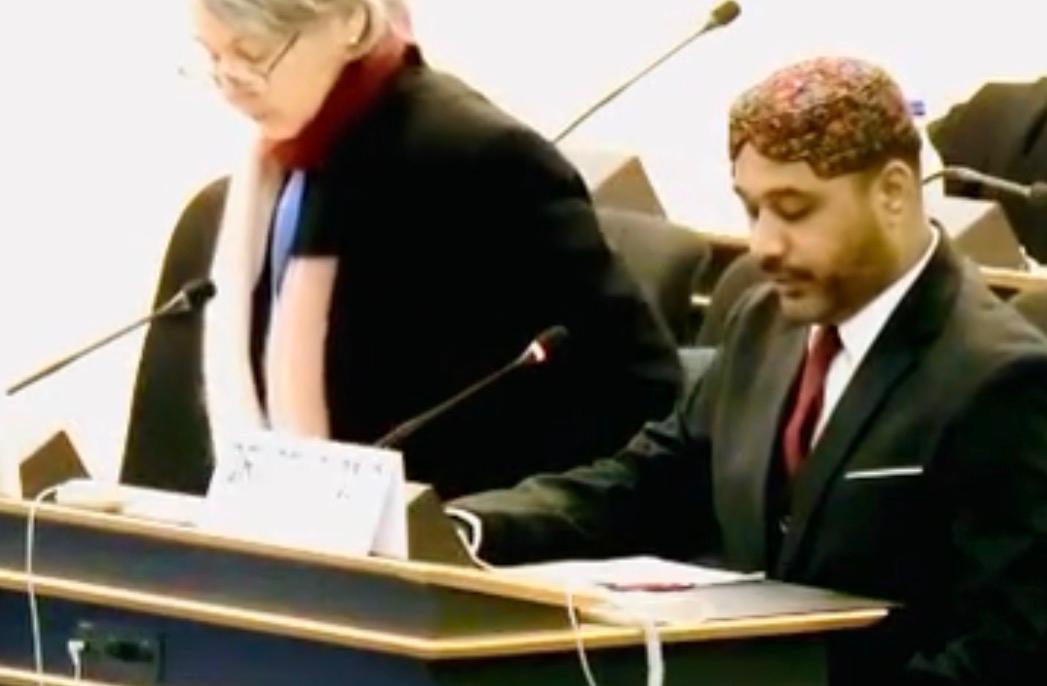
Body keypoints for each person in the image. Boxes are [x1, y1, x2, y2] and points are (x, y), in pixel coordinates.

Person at [451, 57, 1047, 685]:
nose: (764, 245)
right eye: (751, 209)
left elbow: (1010, 651)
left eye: (793, 210)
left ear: (893, 194)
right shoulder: (764, 322)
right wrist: (464, 528)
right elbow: (648, 481)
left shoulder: (1002, 381)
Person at [190, 0, 682, 498]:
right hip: (288, 521)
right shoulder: (273, 176)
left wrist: (482, 519)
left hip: (458, 521)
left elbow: (638, 395)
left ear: (351, 22)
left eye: (252, 55)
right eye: (213, 58)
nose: (232, 85)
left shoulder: (481, 160)